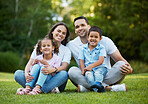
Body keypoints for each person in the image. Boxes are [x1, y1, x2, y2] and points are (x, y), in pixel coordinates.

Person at [67, 16, 133, 92]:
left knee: (122, 64)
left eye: (83, 25)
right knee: (71, 71)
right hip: (87, 76)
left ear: (88, 27)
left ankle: (88, 88)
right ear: (75, 30)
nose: (80, 28)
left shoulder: (105, 41)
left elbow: (119, 59)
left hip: (106, 75)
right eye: (77, 27)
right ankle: (107, 88)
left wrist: (130, 68)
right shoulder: (71, 45)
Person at [14, 22, 71, 94]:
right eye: (58, 31)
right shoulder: (40, 46)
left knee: (64, 74)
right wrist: (26, 74)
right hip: (36, 77)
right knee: (18, 74)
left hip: (53, 79)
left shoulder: (66, 50)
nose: (60, 34)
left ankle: (38, 89)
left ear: (65, 36)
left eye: (63, 33)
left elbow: (64, 67)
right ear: (53, 31)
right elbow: (30, 63)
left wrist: (52, 70)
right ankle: (40, 89)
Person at [79, 26, 107, 92]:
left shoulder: (101, 48)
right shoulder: (83, 48)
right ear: (88, 37)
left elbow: (101, 61)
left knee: (97, 73)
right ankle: (99, 89)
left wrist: (91, 66)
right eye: (91, 36)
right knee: (89, 76)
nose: (93, 39)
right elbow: (81, 60)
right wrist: (83, 70)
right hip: (89, 70)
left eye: (96, 37)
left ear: (100, 39)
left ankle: (98, 84)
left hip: (100, 68)